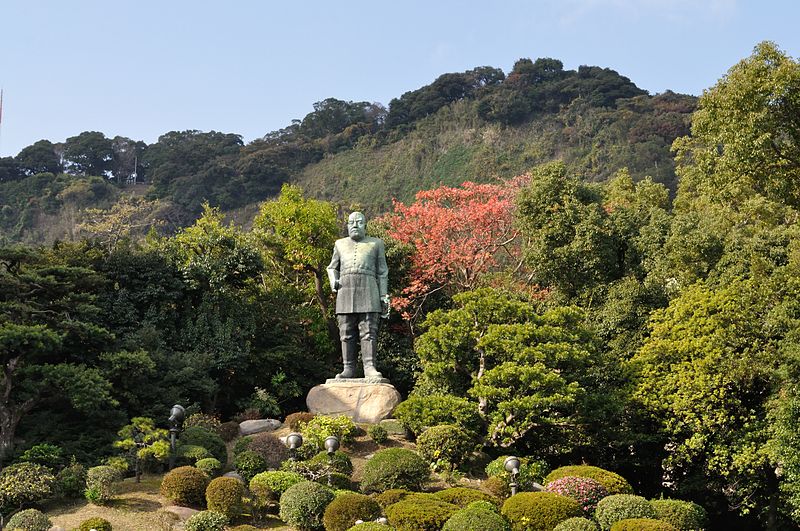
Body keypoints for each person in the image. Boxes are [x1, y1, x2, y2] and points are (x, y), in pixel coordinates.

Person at [326, 212, 390, 379]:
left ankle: (369, 367)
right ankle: (348, 368)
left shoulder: (376, 243)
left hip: (369, 288)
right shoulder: (339, 244)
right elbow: (332, 267)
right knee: (346, 330)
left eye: (359, 222)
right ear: (347, 226)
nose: (355, 225)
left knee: (369, 330)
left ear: (365, 225)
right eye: (351, 222)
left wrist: (384, 295)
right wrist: (334, 280)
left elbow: (383, 272)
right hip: (345, 289)